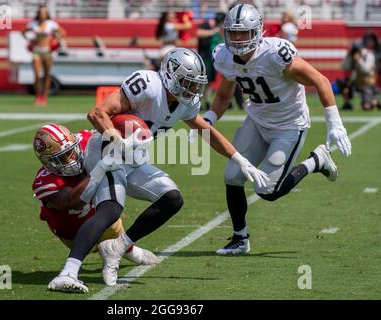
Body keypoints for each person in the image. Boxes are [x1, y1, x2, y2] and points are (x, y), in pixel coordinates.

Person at [47, 47, 269, 291]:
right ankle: (68, 273)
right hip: (107, 152)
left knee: (172, 199)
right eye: (186, 82)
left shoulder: (186, 103)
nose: (192, 90)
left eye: (195, 84)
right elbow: (97, 113)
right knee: (111, 209)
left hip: (134, 159)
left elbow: (207, 131)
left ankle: (117, 247)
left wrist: (240, 159)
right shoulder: (147, 85)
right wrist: (118, 141)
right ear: (171, 75)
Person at [202, 4, 352, 255]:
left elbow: (320, 80)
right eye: (233, 33)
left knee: (267, 191)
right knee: (232, 176)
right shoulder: (224, 56)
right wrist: (209, 118)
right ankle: (240, 238)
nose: (237, 39)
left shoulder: (275, 53)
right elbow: (224, 96)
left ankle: (317, 160)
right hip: (257, 121)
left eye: (244, 33)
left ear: (258, 32)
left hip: (288, 125)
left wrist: (334, 122)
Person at [32, 123, 160, 293]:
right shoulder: (44, 181)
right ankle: (128, 251)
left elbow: (111, 132)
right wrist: (102, 165)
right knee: (100, 207)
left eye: (70, 152)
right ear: (47, 161)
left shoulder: (86, 140)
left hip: (105, 221)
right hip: (72, 232)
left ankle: (127, 250)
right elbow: (73, 201)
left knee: (110, 215)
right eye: (61, 158)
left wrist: (124, 143)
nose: (70, 160)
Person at [21, 6, 66, 106]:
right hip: (36, 51)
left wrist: (55, 40)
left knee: (47, 75)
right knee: (37, 76)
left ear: (46, 14)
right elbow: (23, 32)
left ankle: (44, 96)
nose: (42, 15)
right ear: (38, 13)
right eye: (41, 13)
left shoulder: (51, 24)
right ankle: (37, 95)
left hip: (47, 51)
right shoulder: (33, 23)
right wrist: (30, 39)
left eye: (44, 13)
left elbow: (62, 33)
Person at [341, 33, 379, 111]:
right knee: (342, 84)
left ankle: (375, 102)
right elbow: (344, 67)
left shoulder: (369, 55)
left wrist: (359, 60)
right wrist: (349, 56)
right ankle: (347, 103)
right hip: (356, 82)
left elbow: (367, 70)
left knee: (366, 107)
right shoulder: (353, 55)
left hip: (367, 83)